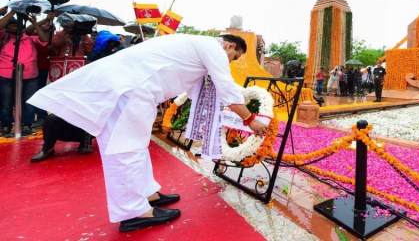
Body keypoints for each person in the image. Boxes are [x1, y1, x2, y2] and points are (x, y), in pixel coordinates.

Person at [28, 34, 268, 232]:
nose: (231, 61)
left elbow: (204, 91)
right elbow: (224, 85)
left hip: (135, 87)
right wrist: (249, 118)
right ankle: (134, 212)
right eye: (233, 57)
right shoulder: (212, 48)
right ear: (229, 45)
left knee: (135, 146)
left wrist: (243, 102)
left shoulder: (196, 47)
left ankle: (147, 194)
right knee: (126, 148)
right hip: (133, 88)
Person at [0, 9, 50, 136]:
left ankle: (26, 125)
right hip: (6, 74)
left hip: (30, 75)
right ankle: (6, 126)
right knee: (6, 103)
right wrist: (12, 12)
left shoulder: (30, 38)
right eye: (12, 25)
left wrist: (34, 23)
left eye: (18, 25)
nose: (16, 27)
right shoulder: (4, 37)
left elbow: (44, 40)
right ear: (7, 28)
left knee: (28, 102)